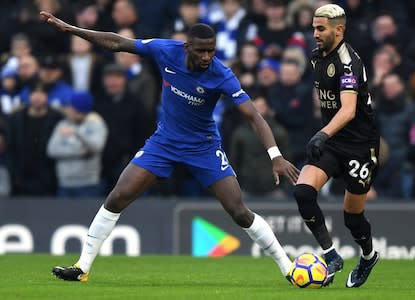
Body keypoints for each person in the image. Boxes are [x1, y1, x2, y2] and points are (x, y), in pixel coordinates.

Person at [40, 11, 299, 283]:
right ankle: (82, 267)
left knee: (238, 211)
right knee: (118, 195)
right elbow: (118, 43)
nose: (207, 57)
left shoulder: (221, 74)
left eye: (212, 51)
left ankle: (288, 268)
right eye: (201, 51)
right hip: (164, 142)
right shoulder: (166, 51)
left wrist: (276, 155)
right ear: (187, 47)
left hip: (204, 147)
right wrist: (72, 29)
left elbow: (253, 115)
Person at [291, 4, 379, 288]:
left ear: (339, 30)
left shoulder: (349, 62)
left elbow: (349, 109)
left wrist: (321, 134)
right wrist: (326, 135)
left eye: (321, 29)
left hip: (359, 146)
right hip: (332, 141)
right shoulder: (317, 57)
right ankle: (331, 256)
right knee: (303, 192)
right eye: (313, 28)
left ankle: (368, 256)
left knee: (352, 218)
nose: (314, 34)